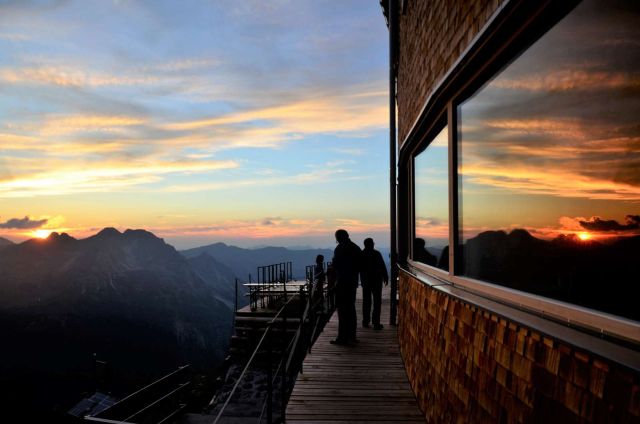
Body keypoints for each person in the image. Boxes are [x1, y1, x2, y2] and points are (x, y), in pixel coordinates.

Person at [330, 229, 361, 345]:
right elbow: (359, 265)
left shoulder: (340, 248)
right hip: (352, 282)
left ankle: (342, 337)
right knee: (351, 310)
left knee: (342, 310)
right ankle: (352, 336)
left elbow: (335, 264)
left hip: (342, 282)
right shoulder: (355, 247)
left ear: (338, 237)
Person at [360, 238, 388, 330]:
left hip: (366, 281)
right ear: (371, 244)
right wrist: (385, 276)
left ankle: (366, 321)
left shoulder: (362, 254)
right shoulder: (377, 254)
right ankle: (376, 323)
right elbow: (382, 266)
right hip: (376, 281)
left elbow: (358, 268)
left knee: (366, 302)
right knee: (377, 302)